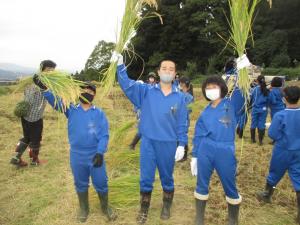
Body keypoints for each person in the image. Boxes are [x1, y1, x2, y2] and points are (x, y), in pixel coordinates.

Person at [116, 53, 188, 224]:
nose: (167, 71)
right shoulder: (146, 91)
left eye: (171, 69)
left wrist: (182, 144)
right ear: (158, 71)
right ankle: (144, 209)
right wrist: (120, 65)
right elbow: (126, 85)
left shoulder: (180, 97)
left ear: (175, 74)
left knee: (167, 176)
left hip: (168, 144)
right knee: (146, 177)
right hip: (148, 142)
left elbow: (182, 124)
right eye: (164, 68)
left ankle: (166, 206)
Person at [33, 78, 117, 222]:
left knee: (101, 182)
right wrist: (45, 89)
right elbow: (56, 102)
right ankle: (84, 208)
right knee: (80, 182)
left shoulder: (99, 113)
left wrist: (100, 152)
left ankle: (105, 207)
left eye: (90, 91)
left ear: (94, 95)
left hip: (94, 154)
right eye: (84, 90)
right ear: (79, 93)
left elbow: (104, 135)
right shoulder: (71, 109)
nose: (87, 92)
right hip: (77, 155)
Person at [191, 76, 244, 225]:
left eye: (214, 87)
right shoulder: (205, 111)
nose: (210, 90)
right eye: (208, 88)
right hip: (205, 148)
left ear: (222, 88)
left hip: (225, 149)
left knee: (229, 183)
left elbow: (244, 95)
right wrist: (195, 155)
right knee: (201, 183)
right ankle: (199, 218)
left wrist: (243, 72)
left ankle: (233, 219)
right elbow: (199, 134)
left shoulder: (231, 104)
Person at [256, 86, 300, 223]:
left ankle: (267, 194)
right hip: (298, 151)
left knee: (275, 173)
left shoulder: (280, 115)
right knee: (298, 179)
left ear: (284, 98)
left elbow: (273, 134)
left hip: (283, 150)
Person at [10, 60, 56, 167]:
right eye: (49, 70)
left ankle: (16, 157)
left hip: (25, 115)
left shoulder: (31, 80)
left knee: (26, 137)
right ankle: (34, 161)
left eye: (53, 71)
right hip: (35, 118)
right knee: (36, 139)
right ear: (42, 69)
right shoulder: (41, 84)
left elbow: (26, 95)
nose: (51, 73)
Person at [250, 75, 270, 145]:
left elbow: (251, 98)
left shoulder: (255, 89)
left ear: (257, 81)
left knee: (253, 123)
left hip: (255, 108)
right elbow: (268, 100)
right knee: (262, 124)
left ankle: (252, 139)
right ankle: (260, 141)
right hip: (263, 109)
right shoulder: (267, 90)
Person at [178, 76, 194, 161]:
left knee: (182, 136)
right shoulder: (177, 94)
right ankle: (179, 153)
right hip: (177, 119)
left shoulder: (190, 97)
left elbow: (189, 110)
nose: (179, 85)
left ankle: (184, 155)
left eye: (181, 84)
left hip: (184, 120)